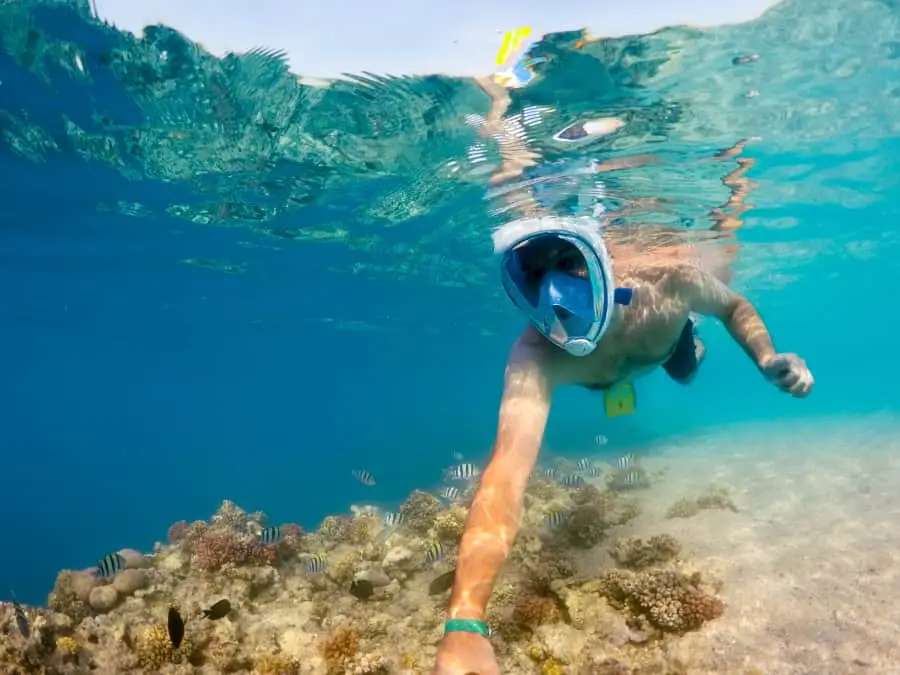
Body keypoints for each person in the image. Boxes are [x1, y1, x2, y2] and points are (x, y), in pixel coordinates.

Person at [431, 72, 814, 675]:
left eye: (571, 264)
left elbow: (736, 306)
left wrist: (768, 359)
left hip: (665, 346)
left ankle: (695, 330)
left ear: (603, 264)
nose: (557, 290)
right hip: (607, 376)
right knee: (614, 384)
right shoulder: (535, 355)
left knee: (686, 366)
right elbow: (504, 476)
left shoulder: (672, 278)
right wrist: (464, 621)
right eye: (538, 273)